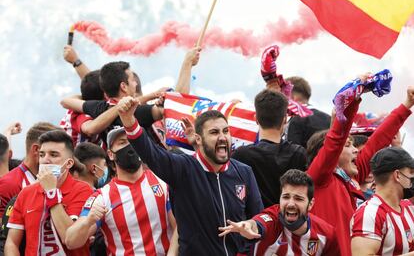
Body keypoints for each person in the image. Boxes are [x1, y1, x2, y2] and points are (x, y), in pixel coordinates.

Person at [117, 96, 263, 255]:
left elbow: (259, 219)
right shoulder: (183, 169)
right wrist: (129, 120)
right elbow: (152, 154)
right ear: (198, 139)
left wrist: (251, 226)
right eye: (214, 132)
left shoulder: (244, 172)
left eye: (226, 131)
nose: (222, 137)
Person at [306, 84, 414, 256]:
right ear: (326, 153)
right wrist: (352, 101)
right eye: (348, 145)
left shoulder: (351, 179)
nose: (356, 150)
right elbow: (335, 141)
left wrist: (407, 104)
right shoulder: (318, 179)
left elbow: (377, 141)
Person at [65, 127, 177, 255]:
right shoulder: (102, 197)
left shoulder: (162, 182)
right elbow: (71, 241)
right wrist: (88, 221)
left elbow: (178, 228)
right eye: (122, 142)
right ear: (111, 154)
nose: (130, 147)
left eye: (133, 141)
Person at [5, 130, 93, 255]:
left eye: (53, 155)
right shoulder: (26, 193)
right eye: (42, 155)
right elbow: (12, 242)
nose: (45, 160)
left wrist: (51, 192)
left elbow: (69, 238)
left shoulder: (83, 191)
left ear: (68, 163)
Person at [218, 169, 339, 256]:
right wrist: (249, 226)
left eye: (298, 198)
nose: (291, 204)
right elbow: (259, 224)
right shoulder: (273, 218)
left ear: (311, 204)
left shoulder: (327, 235)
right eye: (286, 197)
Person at [232, 89, 308, 207]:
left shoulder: (241, 156)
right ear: (284, 119)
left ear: (256, 119)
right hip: (289, 222)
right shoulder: (299, 154)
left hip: (253, 223)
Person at [351, 147, 414, 255]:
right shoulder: (369, 213)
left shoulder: (409, 207)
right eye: (411, 173)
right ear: (397, 175)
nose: (412, 178)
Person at [0, 122, 57, 219]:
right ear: (36, 150)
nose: (59, 160)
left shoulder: (54, 179)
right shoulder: (9, 184)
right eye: (54, 153)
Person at [285, 76, 331, 148]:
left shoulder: (296, 120)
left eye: (284, 96)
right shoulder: (330, 119)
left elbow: (291, 155)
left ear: (293, 97)